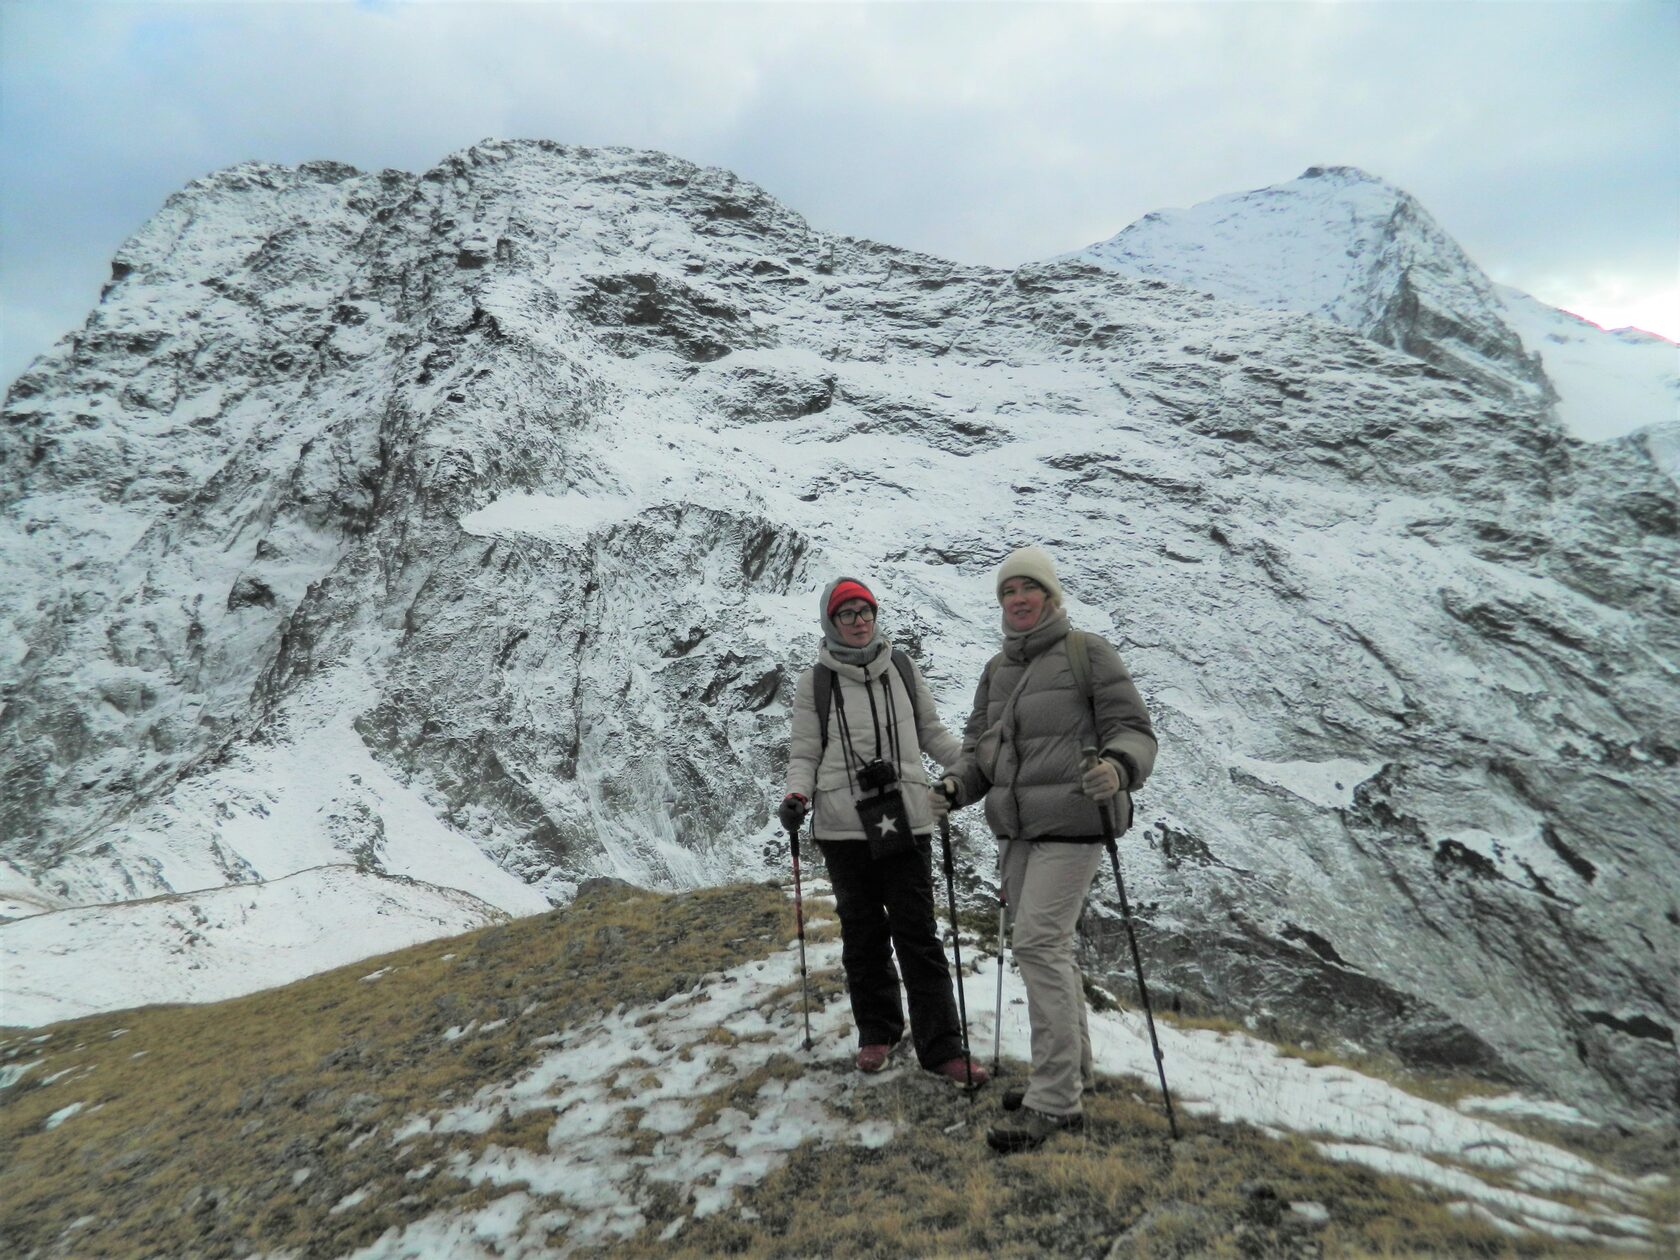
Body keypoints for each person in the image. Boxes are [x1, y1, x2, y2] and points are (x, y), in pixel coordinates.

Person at [934, 546, 1156, 1153]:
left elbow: (1134, 730)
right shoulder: (996, 669)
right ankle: (1073, 1073)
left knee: (1036, 943)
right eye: (1009, 592)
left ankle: (1056, 1101)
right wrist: (954, 788)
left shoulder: (1088, 654)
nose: (1019, 600)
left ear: (1051, 597)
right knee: (1049, 948)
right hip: (1019, 833)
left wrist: (1117, 767)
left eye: (1030, 589)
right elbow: (981, 752)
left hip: (1075, 825)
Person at [779, 577, 989, 1087]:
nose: (858, 621)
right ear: (831, 622)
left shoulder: (902, 668)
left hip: (908, 815)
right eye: (847, 613)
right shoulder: (816, 682)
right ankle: (878, 1031)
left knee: (918, 934)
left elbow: (931, 732)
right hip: (842, 825)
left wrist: (970, 769)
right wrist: (796, 796)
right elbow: (806, 751)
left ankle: (942, 1047)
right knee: (864, 934)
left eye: (865, 611)